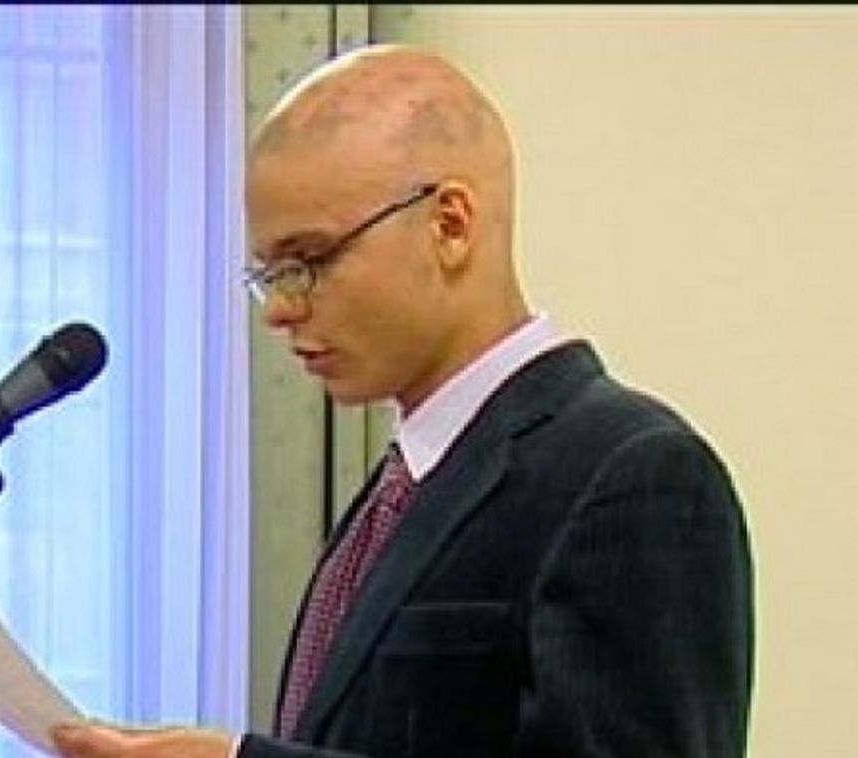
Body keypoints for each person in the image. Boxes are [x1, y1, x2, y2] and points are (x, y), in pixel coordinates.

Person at [50, 43, 753, 758]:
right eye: (268, 275)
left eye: (309, 261)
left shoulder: (632, 473)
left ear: (449, 224)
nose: (280, 310)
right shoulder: (404, 482)